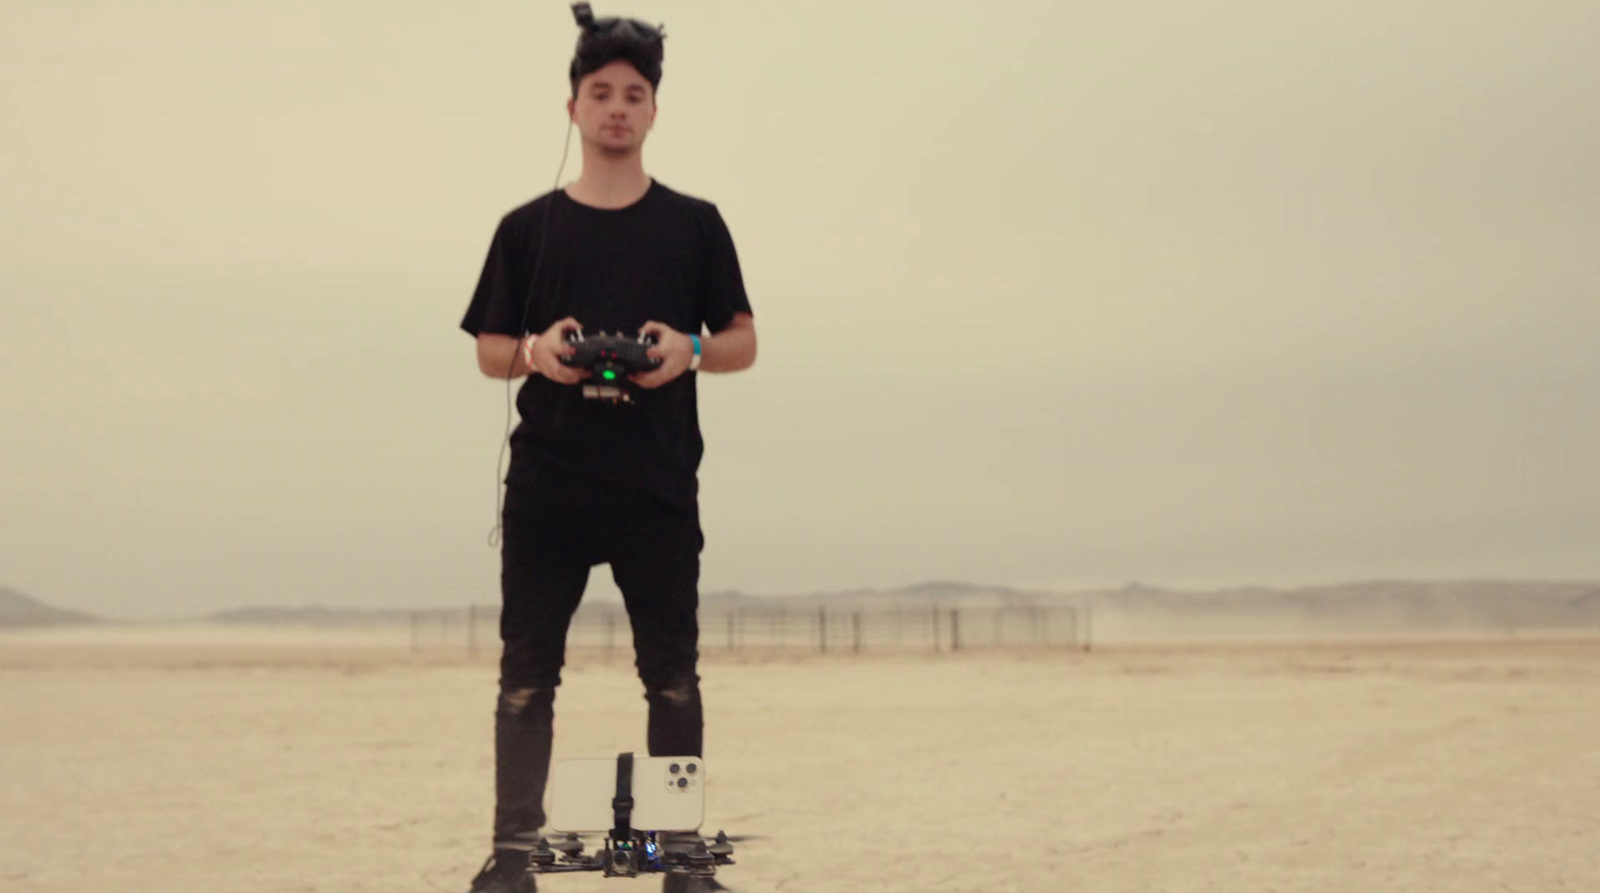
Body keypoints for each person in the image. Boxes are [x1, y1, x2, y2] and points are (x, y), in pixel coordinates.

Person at [456, 6, 757, 892]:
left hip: (657, 484)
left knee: (671, 678)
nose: (617, 108)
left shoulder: (695, 224)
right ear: (573, 108)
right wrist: (539, 354)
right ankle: (513, 856)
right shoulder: (526, 227)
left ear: (654, 111)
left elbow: (743, 341)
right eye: (601, 93)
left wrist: (688, 351)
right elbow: (487, 352)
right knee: (524, 679)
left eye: (634, 94)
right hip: (548, 485)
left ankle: (681, 858)